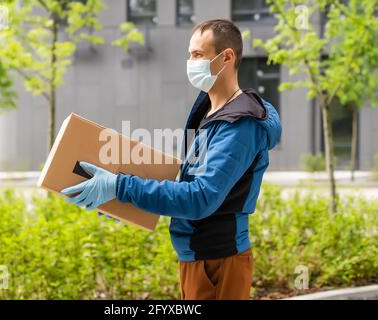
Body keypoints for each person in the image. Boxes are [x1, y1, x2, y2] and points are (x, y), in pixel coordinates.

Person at [61, 19, 281, 300]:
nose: (190, 62)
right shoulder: (210, 110)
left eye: (198, 55)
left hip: (218, 261)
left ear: (226, 57)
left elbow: (200, 198)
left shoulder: (238, 126)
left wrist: (120, 187)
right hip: (198, 256)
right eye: (190, 55)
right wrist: (121, 201)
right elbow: (187, 180)